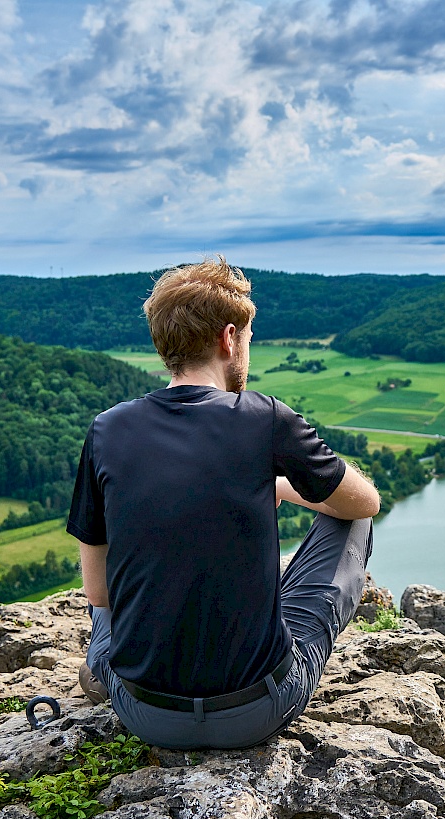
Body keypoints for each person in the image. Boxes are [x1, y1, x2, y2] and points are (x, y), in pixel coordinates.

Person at [68, 256, 379, 749]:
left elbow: (97, 592)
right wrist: (282, 485)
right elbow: (365, 503)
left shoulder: (107, 429)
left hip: (141, 711)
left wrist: (265, 488)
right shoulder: (264, 418)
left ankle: (102, 668)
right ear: (229, 338)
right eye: (249, 341)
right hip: (255, 711)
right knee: (352, 523)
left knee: (104, 615)